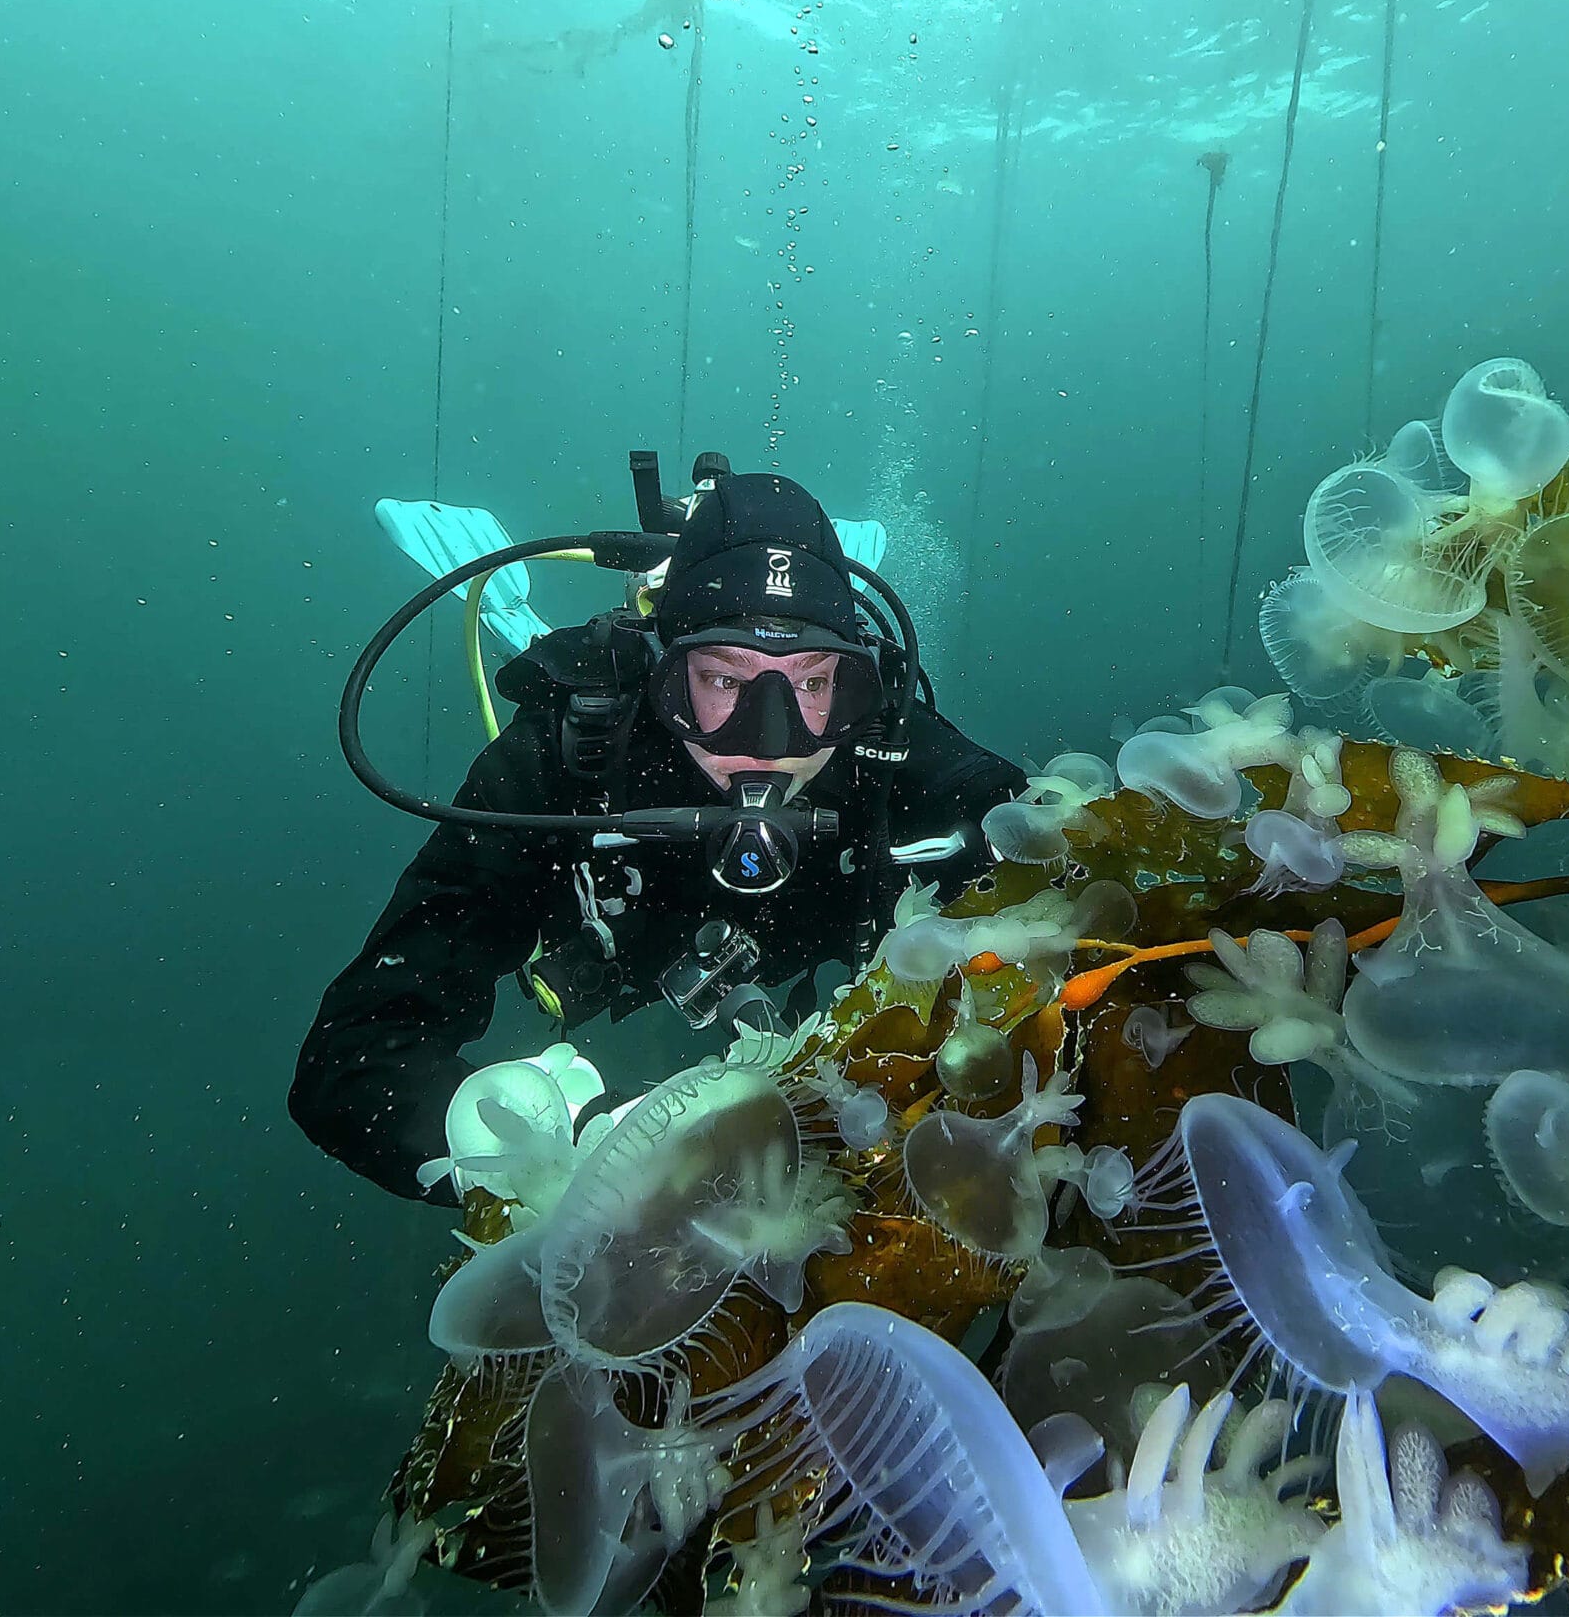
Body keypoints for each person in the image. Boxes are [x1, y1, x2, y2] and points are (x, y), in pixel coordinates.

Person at [290, 466, 1025, 1201]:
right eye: (725, 681)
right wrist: (566, 1154)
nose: (772, 742)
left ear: (858, 687)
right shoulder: (567, 758)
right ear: (662, 676)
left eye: (811, 683)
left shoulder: (883, 746)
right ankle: (535, 614)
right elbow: (353, 1057)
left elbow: (1051, 855)